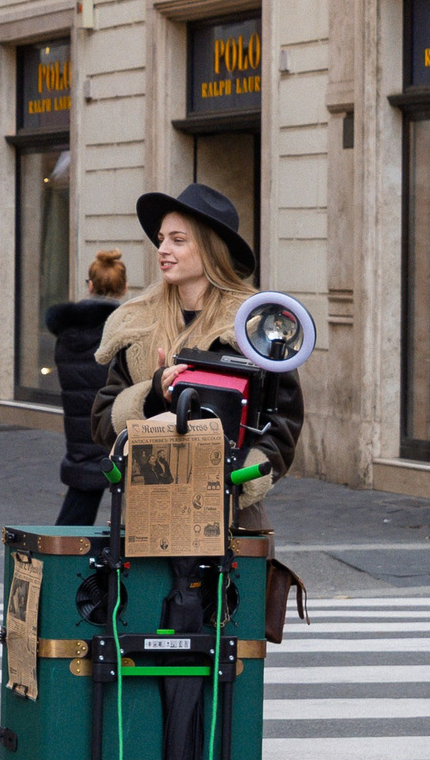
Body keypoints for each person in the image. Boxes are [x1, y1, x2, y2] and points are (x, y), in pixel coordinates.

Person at [90, 186, 303, 529]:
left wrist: (238, 481)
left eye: (178, 240)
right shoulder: (135, 322)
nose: (163, 250)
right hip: (148, 520)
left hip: (230, 520)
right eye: (161, 239)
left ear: (209, 249)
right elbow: (102, 420)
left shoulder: (254, 325)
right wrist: (152, 394)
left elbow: (283, 425)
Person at [47, 249, 131, 528]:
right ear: (125, 288)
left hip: (82, 430)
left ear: (90, 285)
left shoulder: (68, 333)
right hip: (121, 429)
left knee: (79, 502)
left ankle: (62, 560)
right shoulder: (125, 331)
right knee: (140, 513)